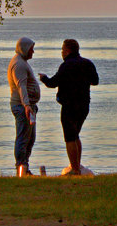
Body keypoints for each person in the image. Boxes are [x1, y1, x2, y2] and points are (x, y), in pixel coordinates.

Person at [39, 38, 98, 176]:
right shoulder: (87, 63)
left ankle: (75, 169)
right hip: (84, 105)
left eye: (62, 50)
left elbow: (53, 83)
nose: (61, 52)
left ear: (67, 50)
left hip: (69, 105)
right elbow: (95, 81)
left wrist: (43, 78)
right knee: (76, 134)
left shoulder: (66, 65)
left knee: (69, 137)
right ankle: (77, 165)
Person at [8, 36, 41, 176]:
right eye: (31, 49)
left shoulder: (22, 62)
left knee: (30, 138)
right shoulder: (19, 64)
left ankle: (25, 167)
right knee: (23, 138)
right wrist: (26, 105)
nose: (33, 52)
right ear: (25, 49)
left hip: (29, 107)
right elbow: (21, 86)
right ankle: (21, 168)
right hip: (22, 107)